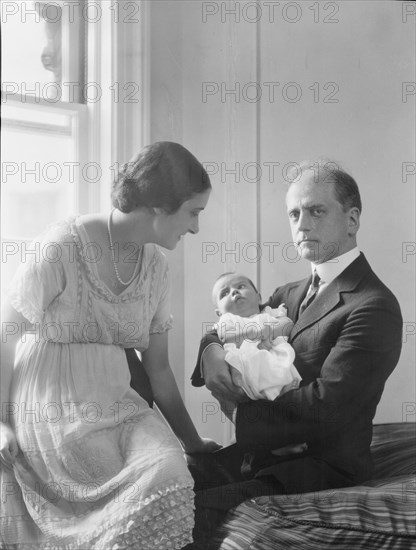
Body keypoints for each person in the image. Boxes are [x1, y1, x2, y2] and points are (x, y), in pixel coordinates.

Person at [0, 142, 221, 549]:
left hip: (117, 403)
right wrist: (1, 421)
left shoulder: (156, 269)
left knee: (170, 472)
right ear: (159, 206)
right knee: (98, 465)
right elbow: (6, 333)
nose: (195, 228)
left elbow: (159, 371)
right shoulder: (64, 244)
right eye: (194, 212)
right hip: (53, 404)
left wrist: (192, 443)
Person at [189, 160, 403, 542]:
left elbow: (327, 405)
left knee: (189, 510)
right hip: (266, 452)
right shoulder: (290, 293)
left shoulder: (374, 305)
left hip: (320, 466)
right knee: (172, 476)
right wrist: (211, 350)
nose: (302, 224)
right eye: (294, 213)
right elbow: (237, 323)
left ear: (351, 220)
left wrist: (240, 414)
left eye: (316, 211)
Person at [211, 272, 300, 403]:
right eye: (224, 293)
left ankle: (278, 394)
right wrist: (255, 331)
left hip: (273, 356)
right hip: (246, 360)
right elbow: (227, 338)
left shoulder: (269, 312)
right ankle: (270, 397)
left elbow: (288, 325)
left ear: (258, 297)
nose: (234, 292)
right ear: (219, 312)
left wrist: (269, 330)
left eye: (241, 286)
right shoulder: (228, 320)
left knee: (278, 366)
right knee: (244, 369)